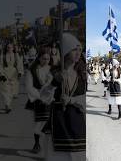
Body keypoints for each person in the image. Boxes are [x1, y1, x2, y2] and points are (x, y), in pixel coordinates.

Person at [42, 33, 86, 161]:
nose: (78, 53)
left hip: (76, 124)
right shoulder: (53, 73)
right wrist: (54, 83)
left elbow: (85, 99)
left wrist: (71, 100)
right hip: (58, 123)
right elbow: (44, 96)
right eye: (74, 49)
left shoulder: (82, 74)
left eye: (79, 50)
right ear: (66, 51)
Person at [26, 47, 54, 154]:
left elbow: (54, 86)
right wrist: (39, 97)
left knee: (48, 125)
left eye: (47, 59)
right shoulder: (32, 70)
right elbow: (29, 87)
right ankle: (37, 143)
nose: (45, 61)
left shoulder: (52, 70)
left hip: (49, 100)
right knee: (38, 123)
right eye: (43, 58)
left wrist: (49, 96)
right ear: (39, 58)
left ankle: (48, 149)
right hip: (37, 99)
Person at [0, 42, 24, 113]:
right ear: (6, 48)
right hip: (5, 74)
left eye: (11, 47)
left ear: (13, 48)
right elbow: (0, 65)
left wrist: (20, 72)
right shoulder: (3, 56)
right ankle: (7, 105)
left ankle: (8, 103)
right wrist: (2, 75)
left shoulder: (16, 55)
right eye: (8, 47)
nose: (9, 49)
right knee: (6, 91)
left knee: (12, 91)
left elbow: (20, 64)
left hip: (14, 75)